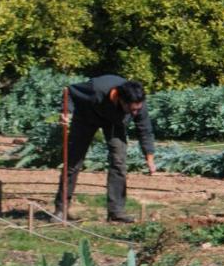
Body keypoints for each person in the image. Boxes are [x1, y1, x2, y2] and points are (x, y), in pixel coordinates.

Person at [56, 75, 157, 224]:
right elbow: (69, 91)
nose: (135, 113)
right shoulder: (96, 88)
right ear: (121, 99)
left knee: (119, 161)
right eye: (132, 109)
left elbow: (144, 128)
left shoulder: (137, 102)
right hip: (86, 117)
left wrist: (149, 157)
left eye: (137, 110)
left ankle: (116, 212)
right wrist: (66, 111)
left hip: (115, 121)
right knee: (73, 162)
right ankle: (61, 210)